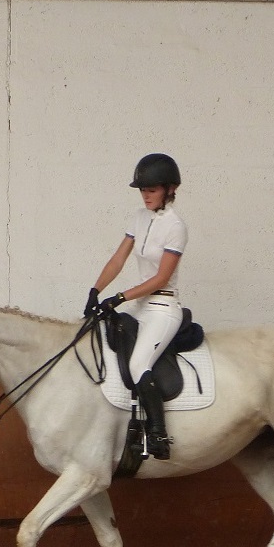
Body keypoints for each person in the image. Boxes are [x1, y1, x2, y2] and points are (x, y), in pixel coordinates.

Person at [83, 153, 187, 461]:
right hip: (140, 305)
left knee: (139, 362)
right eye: (142, 190)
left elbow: (161, 277)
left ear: (169, 189)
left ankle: (158, 433)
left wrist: (119, 297)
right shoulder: (139, 218)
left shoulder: (176, 226)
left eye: (151, 189)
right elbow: (118, 259)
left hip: (163, 309)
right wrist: (95, 290)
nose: (145, 195)